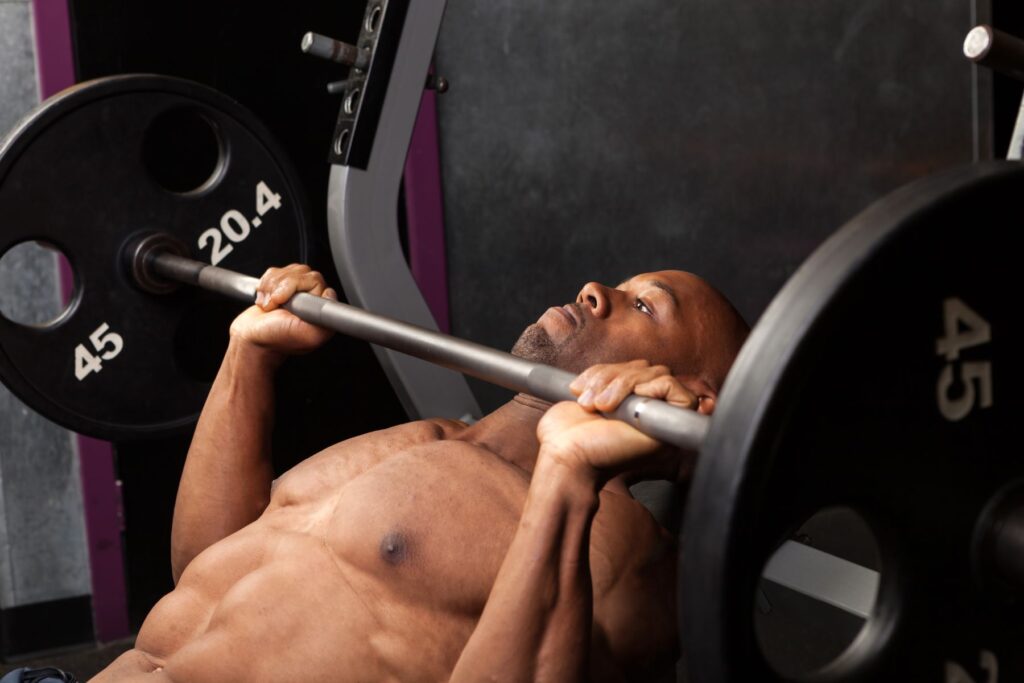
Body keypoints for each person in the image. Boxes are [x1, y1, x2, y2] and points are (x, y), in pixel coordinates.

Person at [91, 264, 749, 682]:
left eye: (643, 306)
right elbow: (204, 575)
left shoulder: (615, 542)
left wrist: (568, 473)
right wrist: (249, 356)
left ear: (695, 394)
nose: (595, 291)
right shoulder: (426, 438)